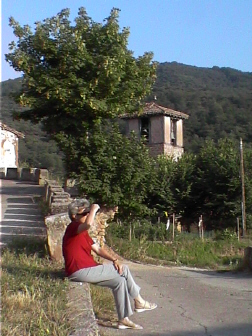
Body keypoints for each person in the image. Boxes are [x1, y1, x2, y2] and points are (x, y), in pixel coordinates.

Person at [62, 198, 157, 330]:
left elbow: (99, 250)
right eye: (85, 214)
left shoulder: (83, 234)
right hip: (79, 271)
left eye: (88, 213)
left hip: (88, 269)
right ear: (74, 216)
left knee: (119, 281)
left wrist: (115, 259)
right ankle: (139, 301)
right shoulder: (73, 227)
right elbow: (88, 224)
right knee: (124, 270)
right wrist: (94, 209)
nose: (88, 216)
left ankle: (123, 319)